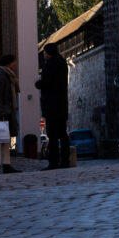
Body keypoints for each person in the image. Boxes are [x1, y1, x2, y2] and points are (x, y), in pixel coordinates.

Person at [36, 42, 70, 170]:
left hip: (51, 106)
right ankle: (65, 161)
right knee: (63, 134)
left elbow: (46, 83)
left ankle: (53, 162)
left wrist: (38, 83)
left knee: (53, 136)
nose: (44, 54)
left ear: (49, 53)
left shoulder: (49, 65)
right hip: (62, 105)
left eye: (45, 52)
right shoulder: (62, 63)